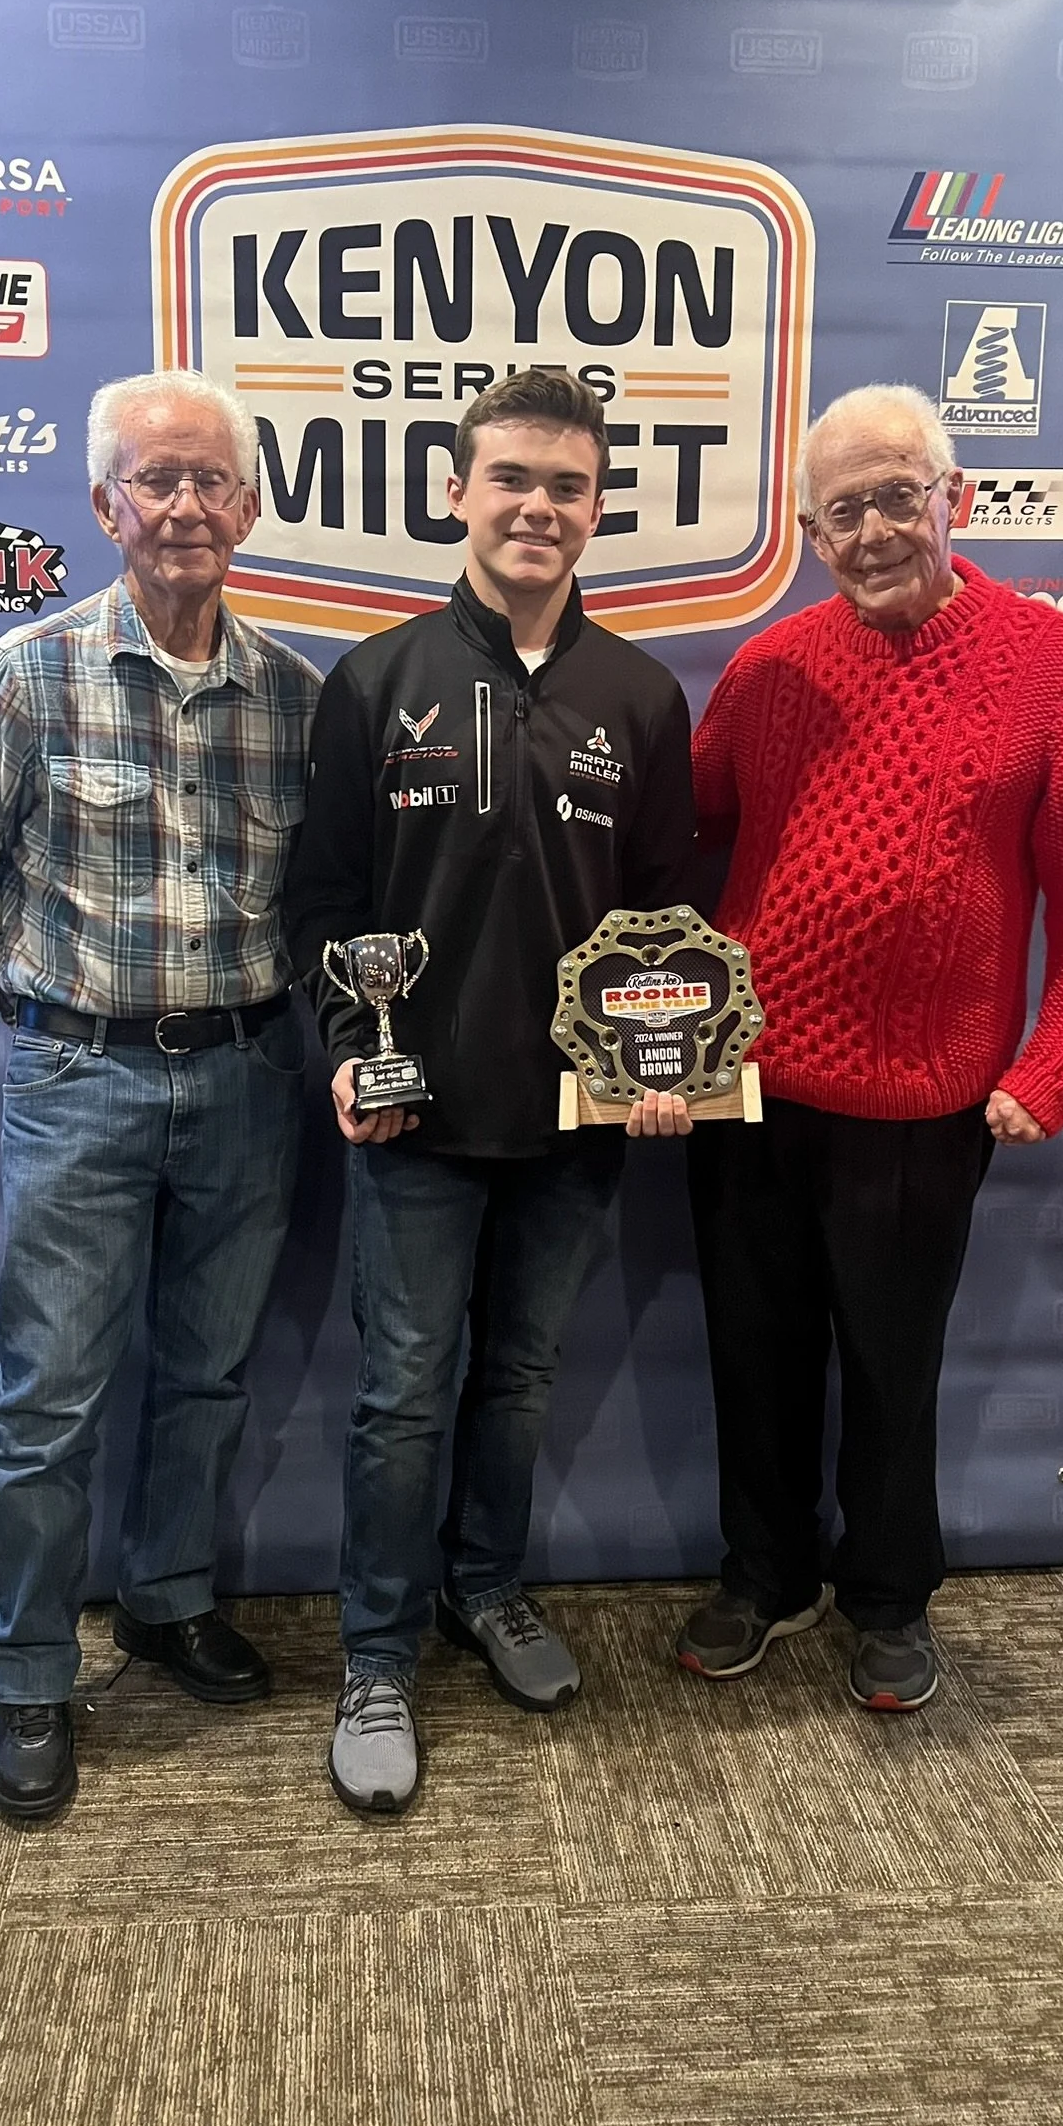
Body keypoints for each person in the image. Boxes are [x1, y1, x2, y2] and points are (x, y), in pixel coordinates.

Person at [637, 382, 1063, 1711]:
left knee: (892, 1364)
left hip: (921, 1104)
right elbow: (675, 848)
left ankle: (888, 1595)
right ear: (808, 530)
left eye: (894, 496)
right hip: (744, 1089)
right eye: (838, 510)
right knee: (753, 1349)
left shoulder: (1056, 666)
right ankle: (764, 1575)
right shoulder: (770, 666)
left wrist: (1053, 1066)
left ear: (952, 500)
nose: (869, 530)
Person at [285, 367, 697, 1815]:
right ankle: (377, 1654)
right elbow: (321, 900)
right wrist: (346, 1049)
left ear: (598, 507)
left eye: (567, 485)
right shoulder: (375, 680)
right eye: (510, 477)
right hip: (411, 1121)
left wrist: (673, 1070)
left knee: (516, 1383)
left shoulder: (639, 698)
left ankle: (484, 1588)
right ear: (456, 493)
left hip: (575, 1128)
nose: (539, 506)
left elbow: (668, 923)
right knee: (402, 1396)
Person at [0, 368, 321, 1820]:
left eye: (211, 477)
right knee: (48, 1399)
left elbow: (321, 902)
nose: (185, 504)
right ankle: (29, 1670)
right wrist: (51, 1023)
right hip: (81, 1074)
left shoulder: (295, 695)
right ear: (103, 506)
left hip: (250, 1077)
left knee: (207, 1375)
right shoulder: (22, 675)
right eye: (155, 479)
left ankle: (167, 1598)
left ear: (253, 503)